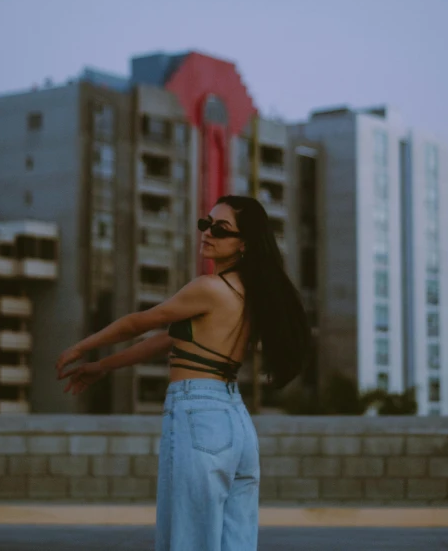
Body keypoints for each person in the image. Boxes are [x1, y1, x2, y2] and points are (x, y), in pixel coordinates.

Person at [56, 195, 313, 551]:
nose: (208, 233)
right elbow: (167, 340)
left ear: (244, 243)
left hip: (199, 415)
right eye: (205, 224)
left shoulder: (209, 288)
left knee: (189, 542)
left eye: (221, 229)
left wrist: (82, 346)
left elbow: (137, 323)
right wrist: (102, 366)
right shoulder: (254, 293)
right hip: (236, 423)